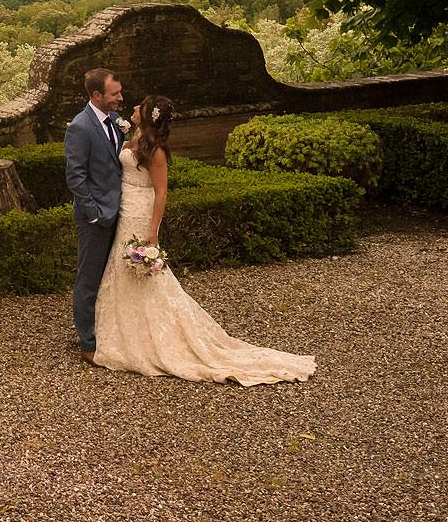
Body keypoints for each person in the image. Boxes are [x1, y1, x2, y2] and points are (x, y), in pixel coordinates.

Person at [91, 95, 315, 383]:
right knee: (120, 268)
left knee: (140, 272)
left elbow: (160, 192)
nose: (133, 108)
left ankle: (151, 338)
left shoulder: (157, 151)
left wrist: (153, 233)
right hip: (125, 207)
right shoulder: (134, 137)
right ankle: (121, 330)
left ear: (148, 116)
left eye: (140, 107)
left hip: (140, 212)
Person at [62, 67, 125, 363]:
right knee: (88, 279)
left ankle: (109, 330)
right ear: (97, 95)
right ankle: (87, 342)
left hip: (121, 214)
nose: (120, 98)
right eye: (114, 94)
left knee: (114, 277)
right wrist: (94, 214)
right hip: (96, 218)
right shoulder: (80, 127)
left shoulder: (114, 121)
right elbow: (75, 177)